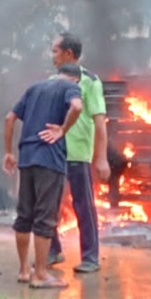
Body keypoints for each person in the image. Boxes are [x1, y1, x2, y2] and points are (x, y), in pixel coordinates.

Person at [3, 63, 83, 289]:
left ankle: (23, 270)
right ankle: (40, 274)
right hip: (49, 160)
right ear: (75, 79)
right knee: (45, 218)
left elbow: (9, 118)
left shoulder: (34, 88)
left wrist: (9, 152)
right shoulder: (70, 87)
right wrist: (62, 130)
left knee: (24, 216)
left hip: (26, 158)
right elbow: (76, 107)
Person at [46, 33, 109, 274]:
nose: (52, 56)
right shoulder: (52, 81)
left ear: (68, 53)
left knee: (84, 206)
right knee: (48, 204)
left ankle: (90, 257)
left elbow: (100, 122)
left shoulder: (91, 81)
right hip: (54, 152)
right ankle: (53, 251)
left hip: (79, 153)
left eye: (55, 51)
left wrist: (100, 158)